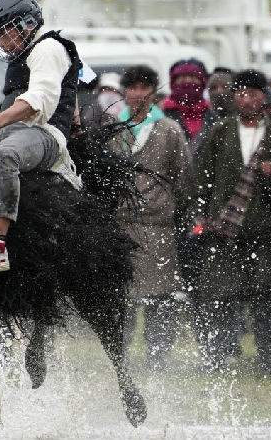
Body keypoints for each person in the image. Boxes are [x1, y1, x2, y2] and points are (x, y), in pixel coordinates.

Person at [192, 69, 271, 374]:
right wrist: (200, 214)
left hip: (265, 231)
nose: (247, 100)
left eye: (254, 94)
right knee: (220, 296)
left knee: (267, 297)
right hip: (223, 230)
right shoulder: (219, 131)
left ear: (264, 98)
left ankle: (269, 357)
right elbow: (202, 177)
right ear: (233, 97)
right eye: (241, 93)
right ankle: (218, 356)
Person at [0, 0, 83, 274]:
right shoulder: (28, 52)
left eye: (1, 33)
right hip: (16, 132)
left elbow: (39, 102)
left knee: (6, 155)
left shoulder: (48, 49)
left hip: (44, 135)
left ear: (27, 24)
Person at [111, 65, 192, 370]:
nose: (138, 94)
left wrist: (181, 216)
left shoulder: (169, 129)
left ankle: (159, 357)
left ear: (155, 91)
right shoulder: (113, 129)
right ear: (125, 92)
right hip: (121, 226)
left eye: (145, 87)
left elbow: (184, 176)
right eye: (132, 88)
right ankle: (121, 357)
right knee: (124, 298)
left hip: (158, 225)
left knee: (160, 299)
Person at [161, 59, 219, 155]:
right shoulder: (160, 119)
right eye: (182, 78)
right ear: (173, 83)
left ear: (202, 83)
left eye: (193, 77)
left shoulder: (214, 120)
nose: (188, 81)